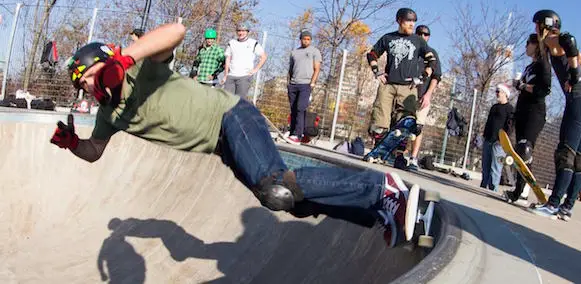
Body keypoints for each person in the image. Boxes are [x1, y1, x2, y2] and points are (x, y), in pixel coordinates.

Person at [50, 22, 425, 248]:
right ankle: (377, 212)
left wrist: (125, 59)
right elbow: (95, 151)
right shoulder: (107, 114)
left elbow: (176, 31)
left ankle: (382, 188)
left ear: (103, 62)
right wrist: (73, 144)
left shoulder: (139, 71)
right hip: (223, 146)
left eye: (88, 79)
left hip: (231, 116)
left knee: (273, 183)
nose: (90, 89)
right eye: (85, 88)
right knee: (288, 202)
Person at [529, 9, 581, 220]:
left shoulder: (553, 39)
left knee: (565, 154)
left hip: (578, 102)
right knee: (578, 157)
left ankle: (553, 204)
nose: (535, 28)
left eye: (536, 25)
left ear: (543, 25)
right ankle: (567, 208)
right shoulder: (559, 46)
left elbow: (570, 41)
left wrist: (575, 76)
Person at [366, 8, 437, 143]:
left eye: (413, 22)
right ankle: (378, 148)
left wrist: (422, 77)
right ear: (399, 21)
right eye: (408, 21)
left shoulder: (418, 40)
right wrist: (377, 71)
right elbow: (372, 54)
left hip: (408, 87)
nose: (412, 24)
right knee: (380, 119)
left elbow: (432, 61)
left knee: (405, 122)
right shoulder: (388, 38)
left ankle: (399, 154)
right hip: (388, 84)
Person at [503, 33, 552, 203]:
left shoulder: (543, 64)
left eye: (527, 43)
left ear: (536, 45)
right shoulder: (529, 67)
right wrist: (518, 86)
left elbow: (543, 90)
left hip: (535, 113)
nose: (525, 47)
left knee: (525, 149)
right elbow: (524, 88)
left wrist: (523, 85)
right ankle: (520, 190)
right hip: (522, 111)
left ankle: (521, 191)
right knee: (520, 154)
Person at [406, 25, 442, 171]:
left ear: (428, 37)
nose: (422, 36)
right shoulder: (410, 50)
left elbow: (436, 76)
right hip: (406, 95)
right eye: (419, 33)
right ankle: (397, 154)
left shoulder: (432, 53)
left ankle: (413, 158)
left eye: (425, 34)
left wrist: (428, 95)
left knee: (417, 128)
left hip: (422, 96)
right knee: (401, 126)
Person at [287, 29, 322, 144]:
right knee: (293, 109)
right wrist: (289, 82)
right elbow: (291, 69)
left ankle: (298, 134)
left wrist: (312, 83)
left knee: (300, 108)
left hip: (306, 84)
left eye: (308, 39)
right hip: (293, 84)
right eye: (304, 39)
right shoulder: (294, 52)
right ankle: (292, 132)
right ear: (300, 39)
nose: (306, 41)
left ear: (310, 40)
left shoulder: (314, 51)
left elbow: (317, 69)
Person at [480, 83, 514, 192]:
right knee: (485, 166)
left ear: (505, 94)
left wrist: (503, 140)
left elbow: (510, 126)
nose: (497, 94)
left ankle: (493, 189)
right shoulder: (494, 107)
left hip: (499, 143)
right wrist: (484, 136)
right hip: (488, 139)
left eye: (499, 91)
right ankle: (483, 187)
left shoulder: (509, 109)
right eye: (496, 91)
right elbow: (489, 122)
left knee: (495, 168)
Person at [222, 22, 267, 99]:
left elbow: (264, 56)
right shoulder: (232, 43)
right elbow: (228, 59)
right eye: (239, 31)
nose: (241, 33)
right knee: (226, 99)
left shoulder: (253, 43)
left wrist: (255, 70)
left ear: (247, 32)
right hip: (231, 76)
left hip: (244, 76)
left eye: (243, 31)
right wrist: (226, 75)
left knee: (239, 101)